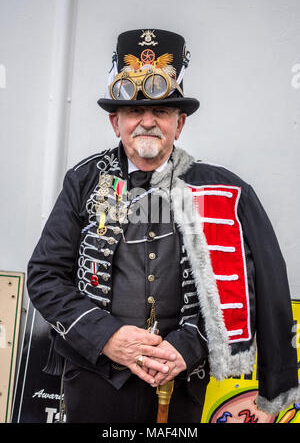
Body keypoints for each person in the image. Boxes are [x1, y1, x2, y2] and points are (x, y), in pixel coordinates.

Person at [27, 29, 300, 423]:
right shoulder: (84, 181)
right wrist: (108, 337)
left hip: (184, 381)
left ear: (180, 122)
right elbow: (45, 277)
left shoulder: (222, 190)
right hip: (95, 381)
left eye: (162, 112)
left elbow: (249, 286)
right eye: (135, 112)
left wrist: (188, 347)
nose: (147, 122)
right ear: (115, 121)